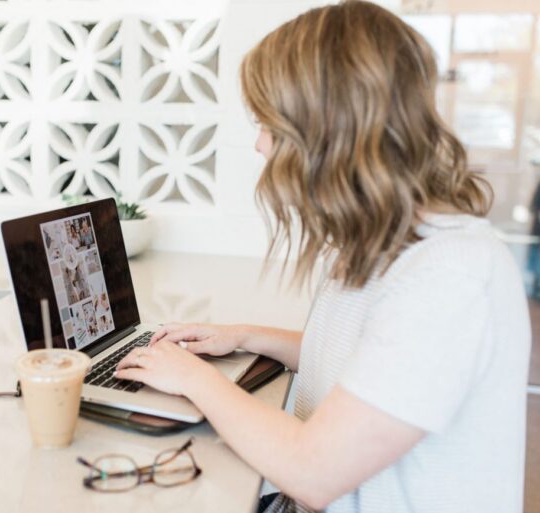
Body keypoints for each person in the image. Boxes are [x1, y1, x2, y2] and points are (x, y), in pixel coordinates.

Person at [115, 2, 531, 512]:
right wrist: (243, 336)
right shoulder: (387, 239)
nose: (260, 145)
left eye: (268, 123)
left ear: (327, 130)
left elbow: (312, 471)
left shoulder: (449, 277)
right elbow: (364, 354)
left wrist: (193, 378)